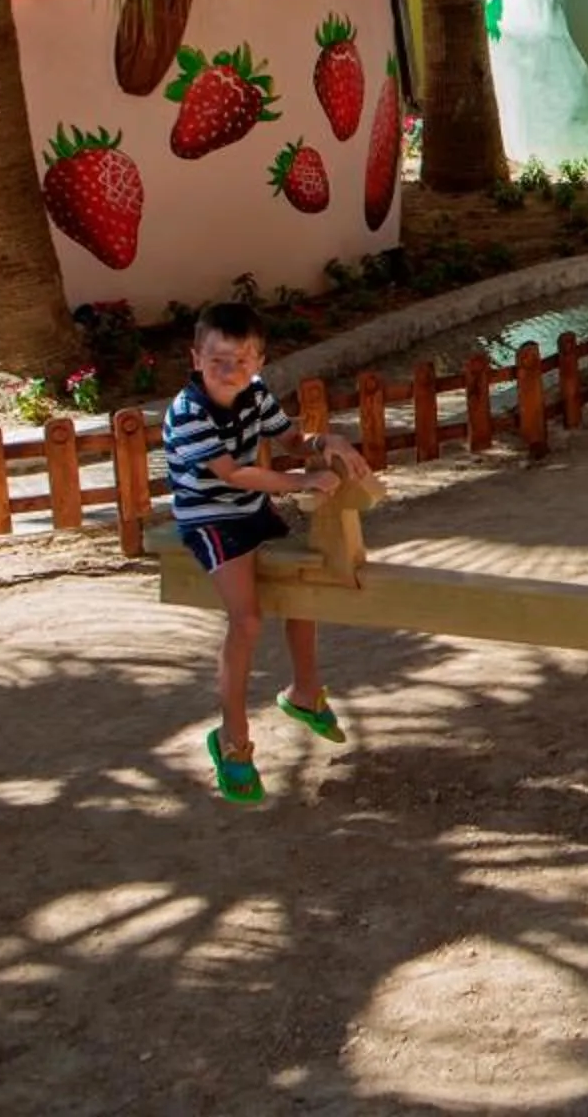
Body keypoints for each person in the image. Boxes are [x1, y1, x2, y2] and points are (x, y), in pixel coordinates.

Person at [167, 301, 367, 805]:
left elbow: (293, 438)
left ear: (259, 362)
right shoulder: (188, 413)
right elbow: (232, 474)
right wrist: (301, 480)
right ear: (196, 359)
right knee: (248, 621)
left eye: (242, 359)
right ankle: (233, 742)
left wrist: (328, 443)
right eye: (218, 360)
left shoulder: (256, 394)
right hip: (210, 519)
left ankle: (304, 693)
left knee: (304, 593)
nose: (231, 371)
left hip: (252, 511)